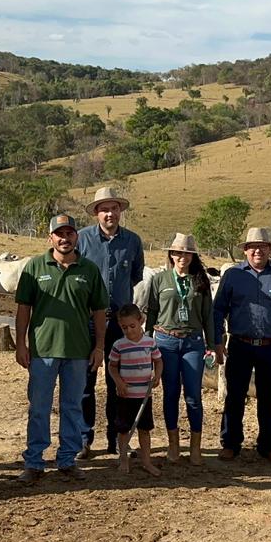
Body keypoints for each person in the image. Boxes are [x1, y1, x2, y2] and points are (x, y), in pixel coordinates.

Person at [14, 213, 109, 484]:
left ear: (76, 237)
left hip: (78, 351)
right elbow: (23, 309)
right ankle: (34, 461)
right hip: (42, 351)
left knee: (72, 407)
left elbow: (99, 312)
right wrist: (20, 344)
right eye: (59, 234)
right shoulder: (35, 267)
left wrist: (99, 347)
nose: (64, 239)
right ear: (50, 238)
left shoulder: (89, 270)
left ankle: (67, 459)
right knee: (39, 407)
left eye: (69, 233)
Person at [212, 227, 271, 463]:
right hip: (240, 344)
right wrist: (217, 340)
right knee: (235, 395)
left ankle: (267, 444)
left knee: (268, 397)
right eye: (252, 247)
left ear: (270, 249)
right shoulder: (233, 275)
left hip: (270, 346)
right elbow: (218, 309)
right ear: (245, 250)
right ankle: (230, 443)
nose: (257, 251)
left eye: (262, 246)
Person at [77, 186, 145, 459]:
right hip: (88, 321)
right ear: (96, 212)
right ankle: (84, 439)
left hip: (120, 324)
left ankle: (117, 438)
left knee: (118, 381)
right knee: (85, 382)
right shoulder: (82, 239)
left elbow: (135, 276)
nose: (110, 214)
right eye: (104, 209)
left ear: (120, 211)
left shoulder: (133, 241)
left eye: (114, 208)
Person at [144, 233, 215, 466]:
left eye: (186, 253)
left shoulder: (201, 281)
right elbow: (152, 312)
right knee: (170, 393)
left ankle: (195, 446)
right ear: (171, 255)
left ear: (192, 256)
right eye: (177, 252)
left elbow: (208, 315)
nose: (182, 257)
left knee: (193, 395)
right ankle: (173, 444)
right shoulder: (159, 280)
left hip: (193, 342)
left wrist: (212, 345)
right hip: (166, 342)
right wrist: (147, 343)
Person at [108, 304, 163, 476]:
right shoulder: (119, 345)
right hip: (125, 395)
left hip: (144, 395)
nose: (129, 331)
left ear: (141, 321)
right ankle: (123, 460)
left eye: (132, 326)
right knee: (123, 430)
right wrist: (119, 382)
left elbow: (158, 361)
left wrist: (157, 376)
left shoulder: (150, 343)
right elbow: (112, 366)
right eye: (124, 327)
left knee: (144, 429)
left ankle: (146, 461)